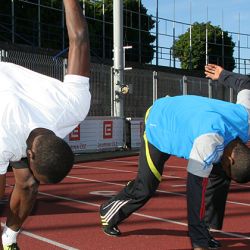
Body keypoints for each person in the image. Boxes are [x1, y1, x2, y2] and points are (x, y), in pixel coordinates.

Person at [99, 63, 250, 250]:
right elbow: (195, 191)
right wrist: (199, 242)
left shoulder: (246, 118)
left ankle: (208, 227)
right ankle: (108, 212)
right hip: (159, 124)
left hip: (183, 117)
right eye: (230, 170)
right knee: (145, 187)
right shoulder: (208, 141)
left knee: (219, 174)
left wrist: (222, 74)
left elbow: (245, 84)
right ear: (231, 159)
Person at [0, 0, 90, 249]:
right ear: (28, 154)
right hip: (7, 105)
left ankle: (9, 239)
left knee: (27, 184)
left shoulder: (75, 107)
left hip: (13, 95)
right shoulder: (4, 138)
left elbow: (80, 39)